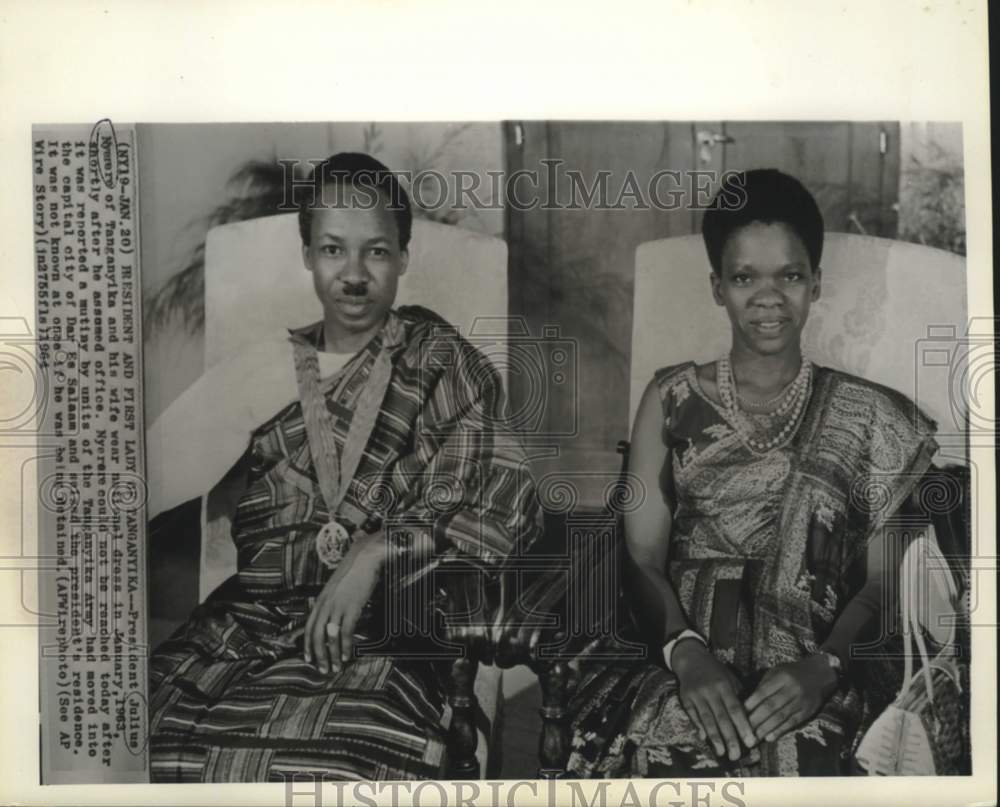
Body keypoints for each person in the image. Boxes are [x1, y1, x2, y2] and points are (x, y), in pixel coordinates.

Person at [146, 153, 541, 781]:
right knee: (142, 746)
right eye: (333, 250)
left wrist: (380, 548)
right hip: (250, 630)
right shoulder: (264, 370)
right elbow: (138, 485)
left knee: (343, 765)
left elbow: (507, 500)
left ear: (404, 257)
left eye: (376, 252)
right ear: (307, 254)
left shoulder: (440, 360)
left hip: (389, 635)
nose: (354, 275)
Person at [566, 169, 939, 777]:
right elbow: (640, 557)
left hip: (816, 666)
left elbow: (881, 583)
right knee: (664, 758)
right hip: (680, 661)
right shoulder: (671, 398)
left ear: (816, 284)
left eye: (789, 276)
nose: (768, 298)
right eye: (744, 278)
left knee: (815, 761)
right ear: (718, 287)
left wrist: (826, 668)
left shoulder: (873, 416)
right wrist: (685, 655)